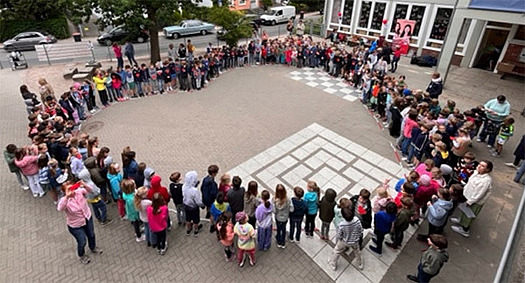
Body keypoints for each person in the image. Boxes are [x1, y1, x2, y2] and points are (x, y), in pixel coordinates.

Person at [57, 180, 103, 264]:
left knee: (91, 234)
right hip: (75, 225)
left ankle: (93, 247)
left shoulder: (79, 192)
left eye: (72, 188)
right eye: (69, 189)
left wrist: (84, 185)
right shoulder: (65, 201)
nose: (72, 191)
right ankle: (81, 255)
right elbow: (59, 208)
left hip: (87, 217)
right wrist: (67, 197)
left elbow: (91, 190)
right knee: (82, 241)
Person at [451, 160, 493, 238]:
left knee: (469, 215)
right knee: (464, 211)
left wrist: (470, 202)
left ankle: (465, 230)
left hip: (474, 201)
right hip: (467, 195)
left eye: (483, 166)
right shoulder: (476, 172)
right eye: (480, 164)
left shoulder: (485, 181)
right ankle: (461, 221)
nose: (479, 166)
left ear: (487, 170)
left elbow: (479, 194)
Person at [328, 206, 364, 271]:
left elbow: (339, 235)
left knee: (337, 251)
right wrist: (357, 236)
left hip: (344, 241)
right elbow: (361, 230)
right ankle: (360, 264)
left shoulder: (342, 224)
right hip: (355, 241)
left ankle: (333, 263)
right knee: (357, 251)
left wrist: (340, 239)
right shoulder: (357, 220)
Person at [183, 171, 205, 236]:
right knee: (196, 220)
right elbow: (197, 201)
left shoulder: (184, 187)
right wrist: (202, 205)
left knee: (188, 219)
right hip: (194, 207)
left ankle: (188, 230)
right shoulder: (195, 190)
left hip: (186, 205)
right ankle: (196, 231)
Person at [273, 184, 293, 248]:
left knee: (278, 229)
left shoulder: (274, 200)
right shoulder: (288, 200)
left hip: (278, 218)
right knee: (283, 229)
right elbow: (292, 209)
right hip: (285, 218)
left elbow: (274, 211)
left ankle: (279, 241)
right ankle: (283, 242)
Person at [201, 164, 219, 232]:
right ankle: (212, 225)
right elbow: (214, 193)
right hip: (211, 200)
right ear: (214, 173)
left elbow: (202, 188)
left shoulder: (205, 179)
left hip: (205, 198)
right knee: (212, 213)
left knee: (207, 207)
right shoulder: (213, 183)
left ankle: (207, 213)